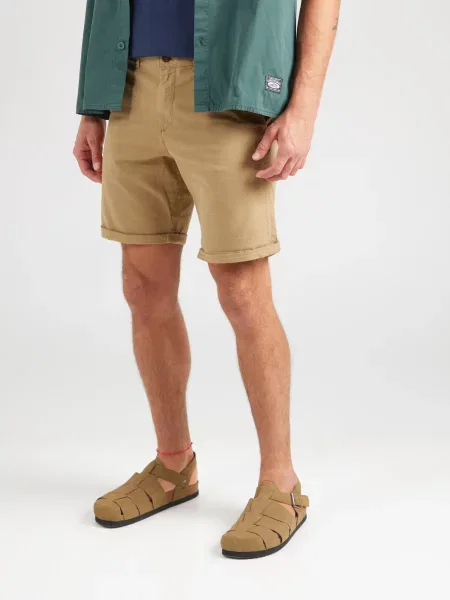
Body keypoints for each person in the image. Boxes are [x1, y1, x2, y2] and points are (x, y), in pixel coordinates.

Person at [73, 0, 340, 559]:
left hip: (229, 85)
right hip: (130, 86)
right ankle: (174, 465)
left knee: (241, 288)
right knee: (142, 287)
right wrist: (93, 105)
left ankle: (282, 484)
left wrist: (304, 106)